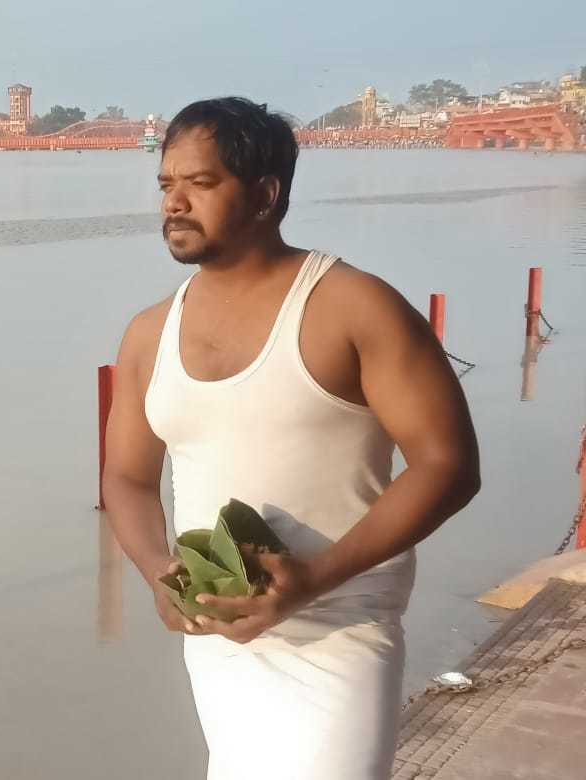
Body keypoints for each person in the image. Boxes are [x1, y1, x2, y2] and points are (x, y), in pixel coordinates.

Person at [102, 97, 480, 779]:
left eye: (201, 182)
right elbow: (127, 478)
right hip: (218, 633)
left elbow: (447, 465)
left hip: (339, 626)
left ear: (265, 195)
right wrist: (159, 571)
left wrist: (313, 579)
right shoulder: (148, 333)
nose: (174, 203)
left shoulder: (354, 307)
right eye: (166, 184)